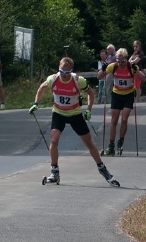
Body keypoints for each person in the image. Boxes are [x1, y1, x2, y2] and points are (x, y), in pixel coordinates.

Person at [29, 57, 117, 186]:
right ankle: (54, 171)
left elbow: (91, 93)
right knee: (54, 140)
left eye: (66, 73)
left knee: (88, 142)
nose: (63, 76)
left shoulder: (78, 80)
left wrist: (89, 110)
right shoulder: (53, 78)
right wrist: (36, 103)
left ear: (71, 71)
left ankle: (102, 169)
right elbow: (42, 88)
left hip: (75, 114)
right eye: (61, 72)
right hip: (59, 113)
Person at [96, 47, 141, 156]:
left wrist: (137, 70)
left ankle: (120, 141)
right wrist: (103, 69)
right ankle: (111, 145)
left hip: (128, 95)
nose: (120, 63)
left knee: (124, 119)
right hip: (116, 94)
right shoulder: (113, 66)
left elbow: (143, 78)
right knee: (114, 120)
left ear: (126, 59)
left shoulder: (131, 67)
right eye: (118, 61)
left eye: (122, 61)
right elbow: (99, 77)